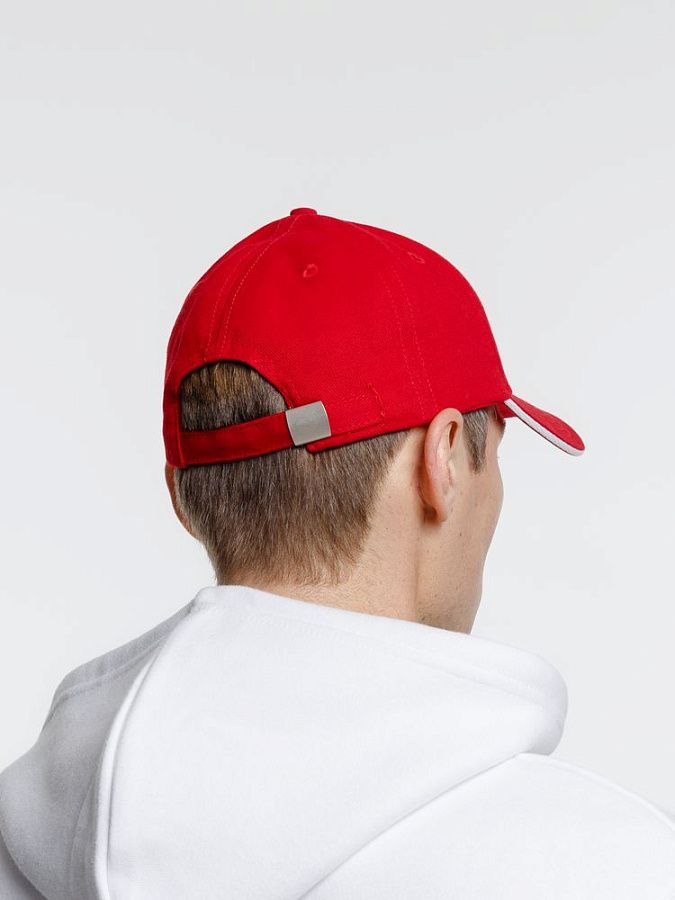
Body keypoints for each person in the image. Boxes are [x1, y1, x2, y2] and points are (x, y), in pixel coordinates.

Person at [1, 207, 673, 899]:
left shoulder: (24, 840)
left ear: (180, 495)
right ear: (443, 460)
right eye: (494, 456)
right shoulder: (615, 867)